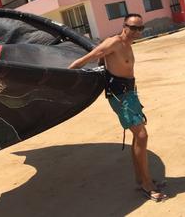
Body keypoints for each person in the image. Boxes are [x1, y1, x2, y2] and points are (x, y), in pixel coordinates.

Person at [68, 13, 168, 202]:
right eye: (133, 28)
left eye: (140, 28)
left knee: (138, 136)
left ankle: (141, 179)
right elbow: (89, 57)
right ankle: (147, 184)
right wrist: (66, 73)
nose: (136, 32)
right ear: (124, 26)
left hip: (130, 94)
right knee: (142, 135)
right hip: (119, 96)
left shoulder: (128, 45)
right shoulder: (113, 42)